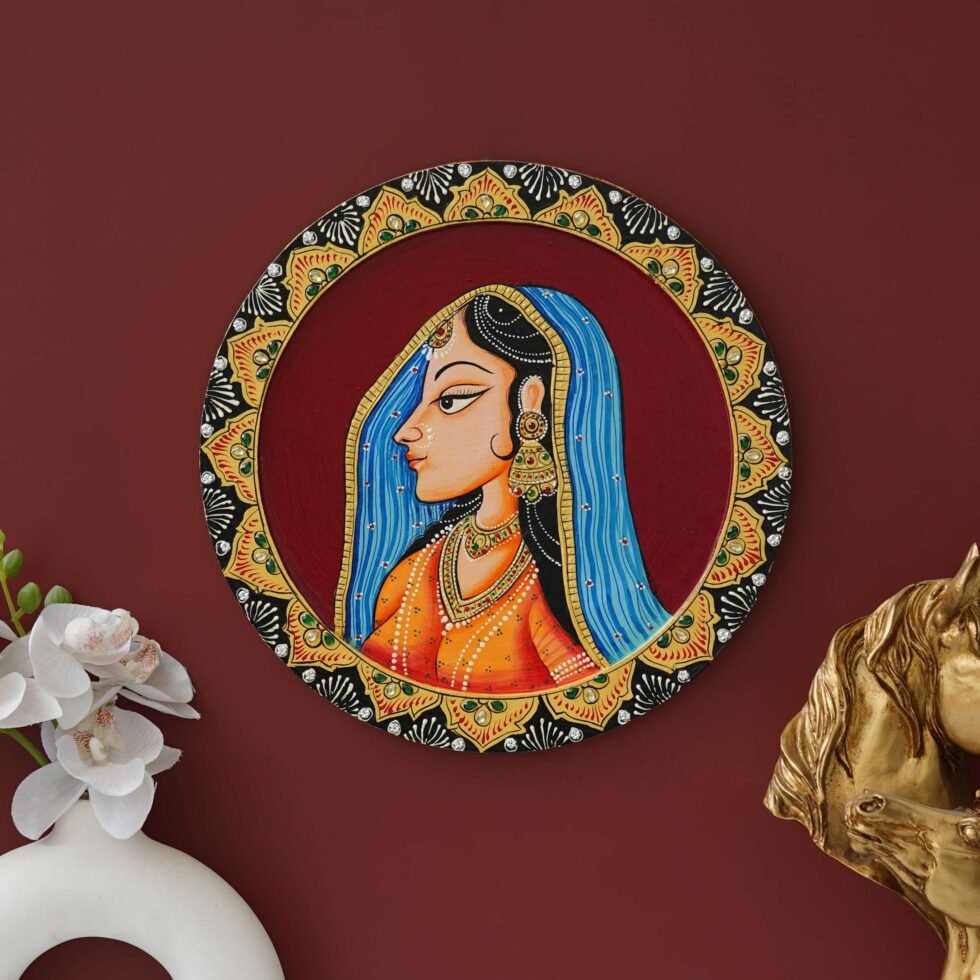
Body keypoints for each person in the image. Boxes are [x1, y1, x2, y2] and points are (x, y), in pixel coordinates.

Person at [337, 286, 669, 694]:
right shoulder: (417, 568)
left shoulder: (558, 588)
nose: (406, 430)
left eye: (451, 399)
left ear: (531, 400)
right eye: (421, 401)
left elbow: (598, 697)